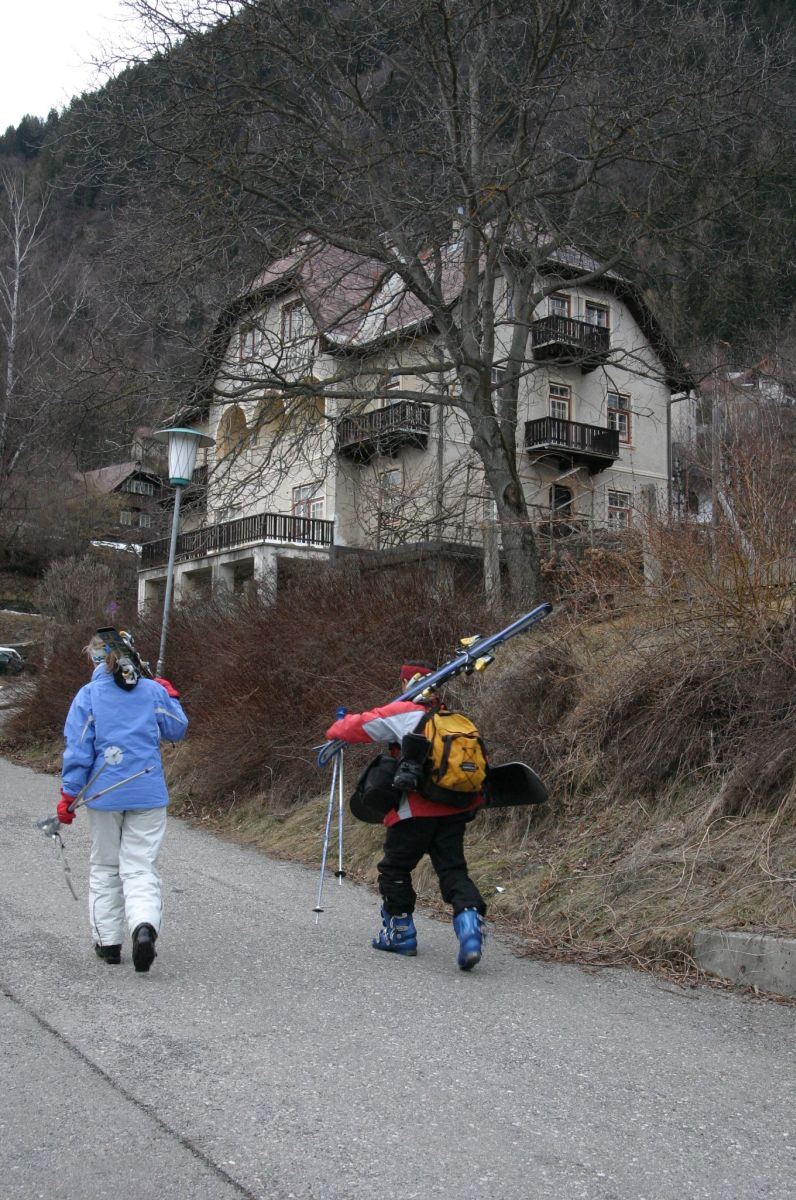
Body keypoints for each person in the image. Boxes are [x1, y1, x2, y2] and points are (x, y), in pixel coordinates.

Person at [325, 661, 487, 970]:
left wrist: (336, 728)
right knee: (453, 870)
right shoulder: (456, 721)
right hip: (454, 809)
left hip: (413, 811)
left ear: (407, 684)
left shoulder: (407, 713)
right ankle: (470, 927)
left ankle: (400, 933)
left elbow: (362, 725)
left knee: (395, 869)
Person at [58, 633, 188, 973]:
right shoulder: (152, 691)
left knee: (105, 866)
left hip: (105, 795)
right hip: (148, 792)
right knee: (140, 866)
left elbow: (78, 749)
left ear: (95, 658)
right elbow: (177, 728)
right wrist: (169, 694)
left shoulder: (88, 696)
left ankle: (109, 943)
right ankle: (143, 928)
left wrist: (69, 795)